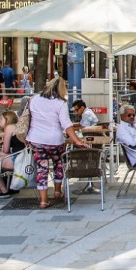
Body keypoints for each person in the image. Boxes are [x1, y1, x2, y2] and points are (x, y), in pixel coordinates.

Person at [24, 77, 87, 209]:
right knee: (59, 164)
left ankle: (43, 200)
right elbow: (66, 124)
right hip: (54, 140)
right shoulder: (60, 103)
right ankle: (57, 191)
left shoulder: (34, 99)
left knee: (42, 169)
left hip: (36, 139)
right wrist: (77, 141)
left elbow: (28, 118)